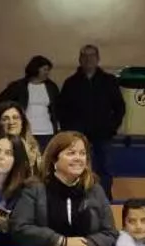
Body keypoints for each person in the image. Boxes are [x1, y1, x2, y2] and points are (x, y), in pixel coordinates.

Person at [57, 45, 125, 200]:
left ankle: (104, 199)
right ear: (80, 59)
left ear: (98, 59)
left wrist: (111, 127)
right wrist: (70, 130)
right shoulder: (71, 83)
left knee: (104, 169)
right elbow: (61, 109)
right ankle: (79, 198)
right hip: (78, 137)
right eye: (85, 56)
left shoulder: (109, 81)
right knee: (77, 168)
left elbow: (119, 107)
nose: (88, 59)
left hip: (103, 136)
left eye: (92, 56)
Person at [0, 56, 59, 151]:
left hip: (47, 131)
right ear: (36, 69)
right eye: (45, 69)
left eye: (48, 70)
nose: (47, 73)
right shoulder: (19, 86)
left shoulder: (51, 87)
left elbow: (57, 107)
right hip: (25, 130)